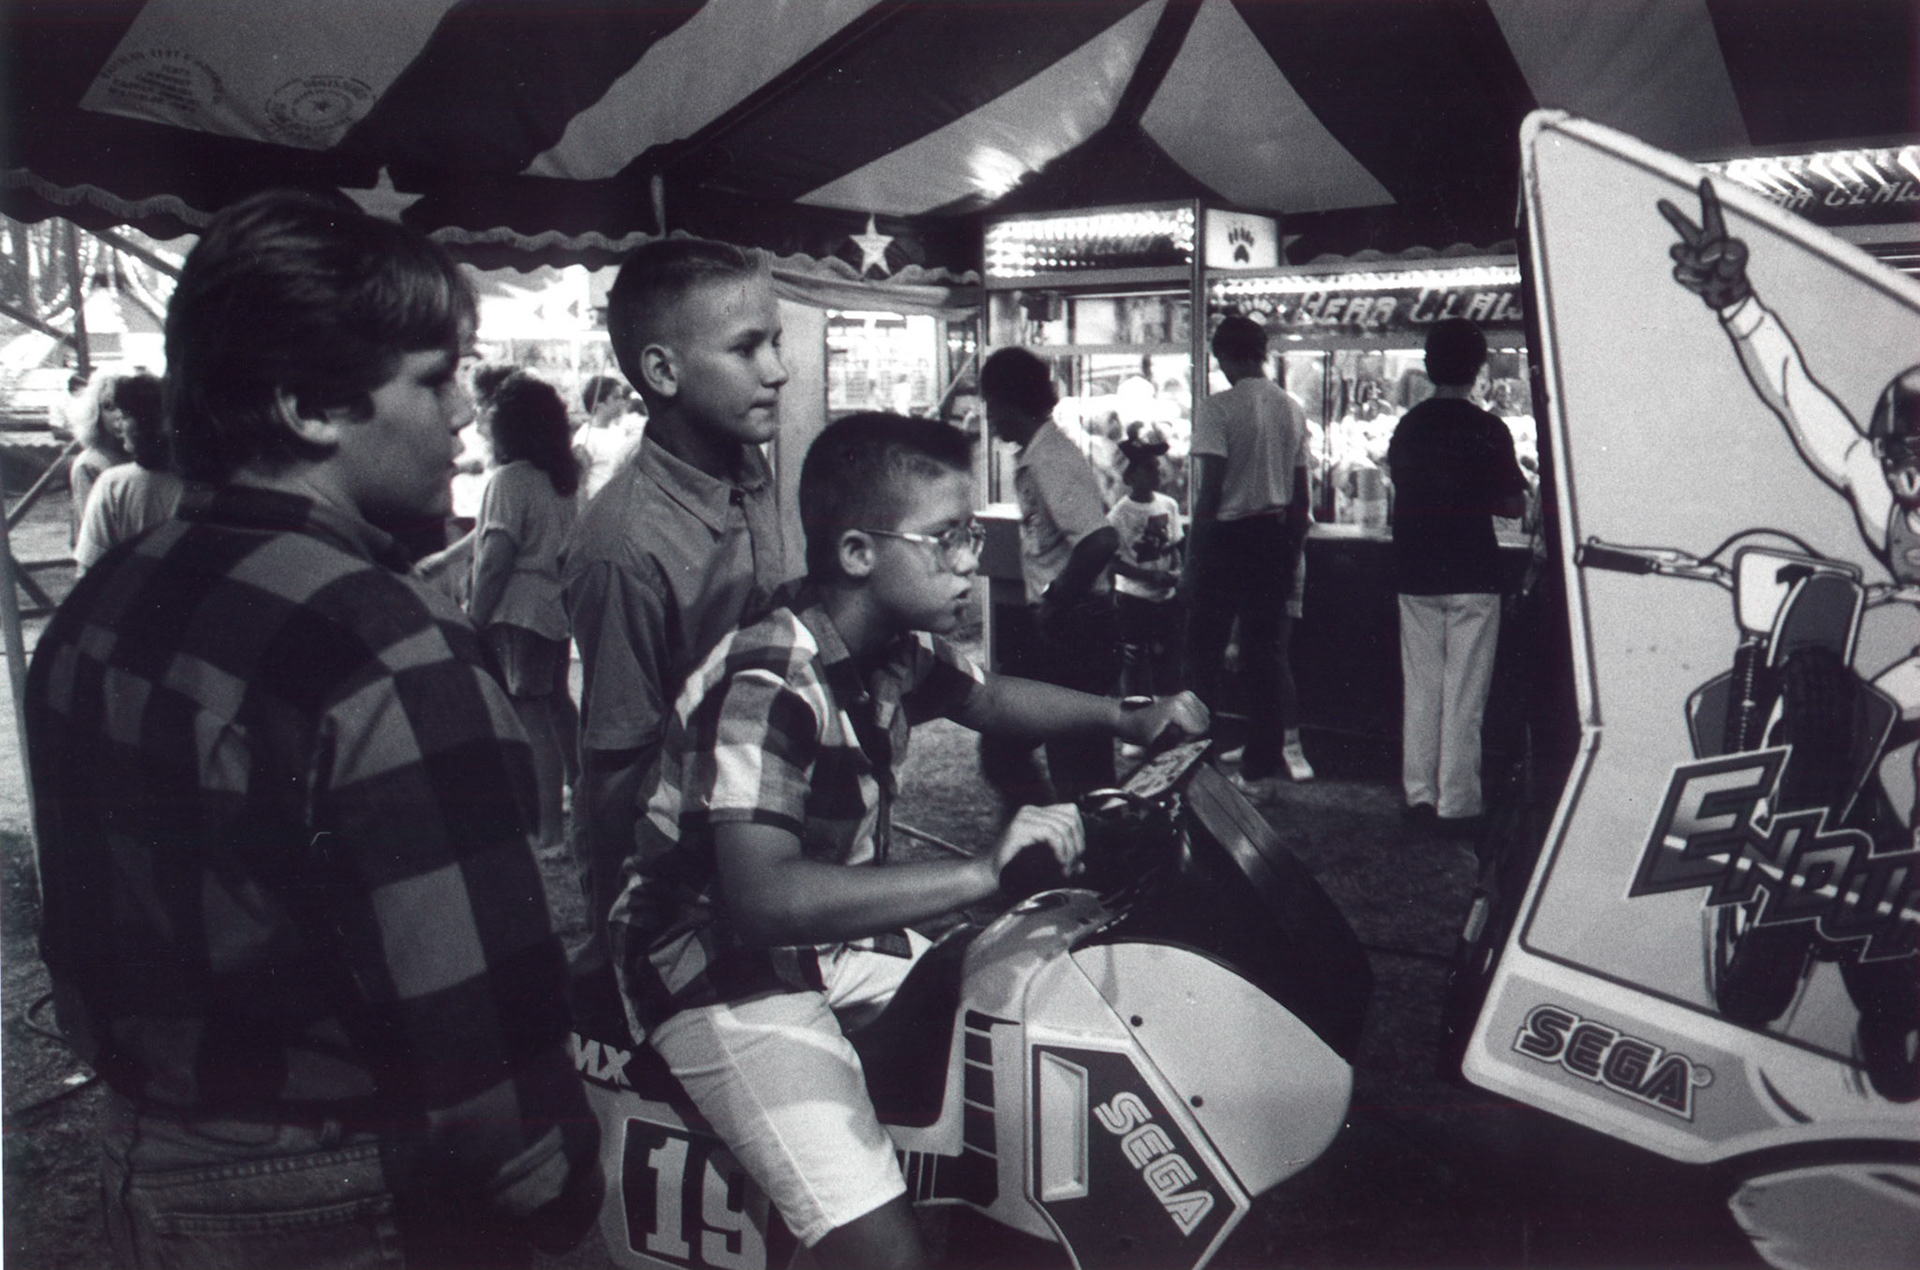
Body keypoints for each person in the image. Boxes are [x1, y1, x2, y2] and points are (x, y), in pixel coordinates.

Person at [23, 189, 600, 1270]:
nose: (464, 415)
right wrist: (553, 1194)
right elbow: (484, 1051)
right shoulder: (383, 640)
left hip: (145, 1166)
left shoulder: (99, 607)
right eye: (434, 380)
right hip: (346, 1194)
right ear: (307, 405)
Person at [609, 412, 1207, 1269]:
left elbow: (991, 699)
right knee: (887, 1256)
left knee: (1025, 1015)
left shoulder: (889, 648)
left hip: (822, 940)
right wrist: (981, 871)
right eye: (948, 538)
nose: (972, 558)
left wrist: (1128, 717)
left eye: (973, 531)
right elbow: (762, 898)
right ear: (858, 552)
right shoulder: (770, 681)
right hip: (715, 965)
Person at [561, 237, 790, 1038]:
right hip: (686, 877)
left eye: (776, 342)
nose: (778, 371)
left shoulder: (754, 469)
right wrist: (613, 940)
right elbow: (616, 761)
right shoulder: (623, 545)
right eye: (746, 348)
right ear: (662, 373)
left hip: (768, 830)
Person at [1386, 317, 1528, 833]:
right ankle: (1458, 803)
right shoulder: (1490, 428)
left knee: (1421, 690)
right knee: (1464, 694)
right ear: (1478, 368)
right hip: (1473, 570)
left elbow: (1400, 481)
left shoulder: (1409, 426)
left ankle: (1418, 797)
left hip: (1416, 570)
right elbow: (1512, 503)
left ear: (1427, 366)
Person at [978, 345, 1121, 801]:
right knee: (1009, 743)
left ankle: (1090, 857)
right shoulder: (1040, 454)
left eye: (990, 402)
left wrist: (1057, 600)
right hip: (1061, 620)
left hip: (1074, 623)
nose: (988, 415)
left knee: (1077, 764)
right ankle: (1047, 835)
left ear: (1007, 400)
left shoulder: (1050, 457)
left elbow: (1100, 540)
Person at [1186, 316, 1315, 789]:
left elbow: (1210, 492)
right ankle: (1259, 766)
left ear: (1230, 356)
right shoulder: (1291, 407)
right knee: (1264, 656)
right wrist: (1290, 551)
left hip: (1227, 539)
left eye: (1220, 359)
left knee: (1204, 653)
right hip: (1274, 538)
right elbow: (1302, 495)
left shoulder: (1216, 408)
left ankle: (1201, 756)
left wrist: (1193, 558)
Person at [469, 373, 583, 854]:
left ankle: (548, 832)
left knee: (532, 720)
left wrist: (472, 618)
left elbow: (495, 559)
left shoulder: (507, 480)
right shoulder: (561, 476)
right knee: (558, 706)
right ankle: (584, 799)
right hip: (554, 610)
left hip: (516, 614)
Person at [72, 372, 184, 574]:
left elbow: (88, 565)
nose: (118, 419)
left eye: (124, 414)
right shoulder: (91, 466)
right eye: (108, 408)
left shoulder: (115, 481)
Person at [1107, 435, 1184, 700]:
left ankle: (1166, 719)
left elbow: (1174, 546)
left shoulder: (1169, 505)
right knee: (1134, 658)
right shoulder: (1119, 515)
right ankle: (1135, 723)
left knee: (1168, 657)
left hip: (1165, 596)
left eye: (1157, 465)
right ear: (1130, 476)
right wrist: (1149, 575)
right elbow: (1113, 561)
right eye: (1148, 467)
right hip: (1133, 598)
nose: (1157, 471)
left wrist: (1175, 572)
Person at [66, 368, 132, 547]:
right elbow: (93, 532)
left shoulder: (139, 456)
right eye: (109, 407)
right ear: (95, 413)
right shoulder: (90, 464)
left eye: (127, 406)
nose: (120, 415)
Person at [578, 372, 644, 500]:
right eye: (616, 398)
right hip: (596, 509)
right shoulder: (584, 438)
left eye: (622, 397)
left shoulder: (619, 431)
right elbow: (579, 486)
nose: (623, 402)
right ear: (599, 404)